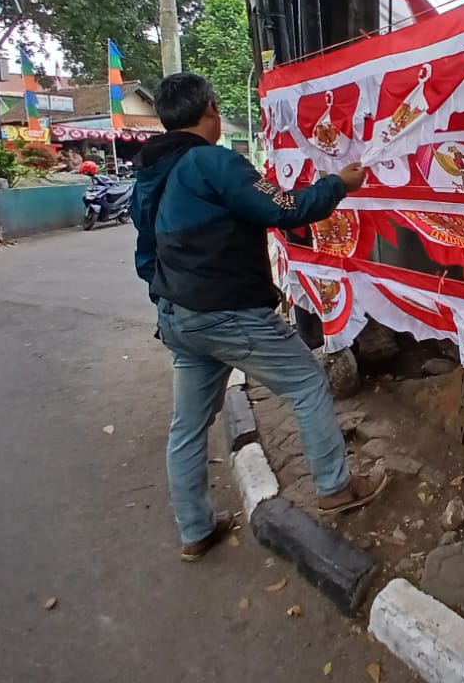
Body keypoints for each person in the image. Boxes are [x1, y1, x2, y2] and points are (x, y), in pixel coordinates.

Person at [132, 72, 385, 562]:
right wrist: (339, 183)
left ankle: (195, 529)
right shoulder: (211, 162)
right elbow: (284, 208)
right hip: (226, 313)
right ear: (209, 109)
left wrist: (171, 303)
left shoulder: (151, 173)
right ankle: (335, 487)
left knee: (187, 427)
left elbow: (146, 253)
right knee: (308, 384)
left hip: (180, 317)